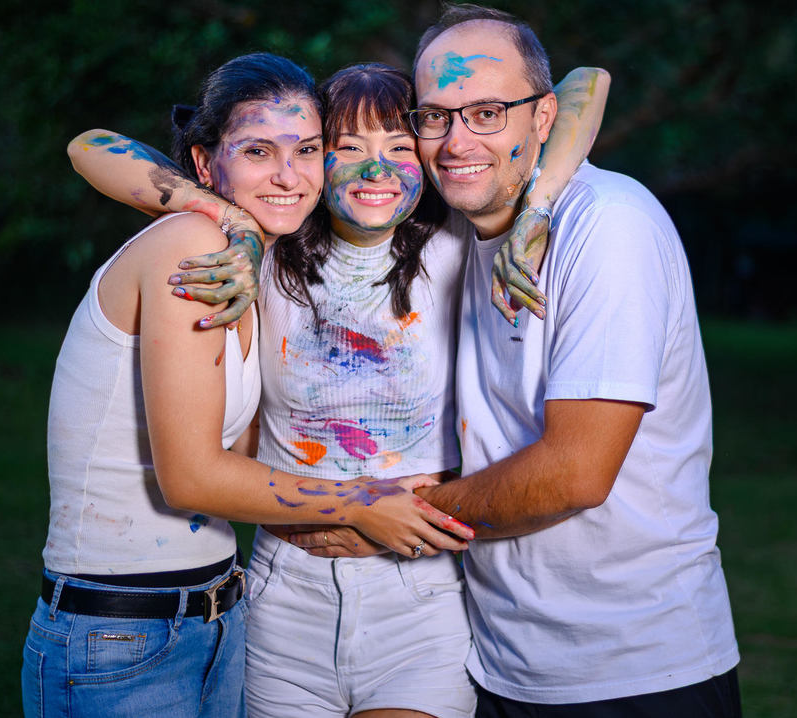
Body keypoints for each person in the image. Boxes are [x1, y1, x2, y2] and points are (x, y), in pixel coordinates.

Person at [68, 59, 608, 718]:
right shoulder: (268, 247)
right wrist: (222, 216)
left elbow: (590, 82)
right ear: (320, 160)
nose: (376, 170)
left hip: (417, 593)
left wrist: (538, 207)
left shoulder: (459, 242)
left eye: (400, 148)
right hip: (281, 596)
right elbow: (89, 147)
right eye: (348, 148)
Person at [297, 4, 743, 716]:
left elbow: (575, 474)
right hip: (503, 662)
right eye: (436, 116)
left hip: (634, 670)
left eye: (485, 113)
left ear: (540, 120)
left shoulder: (607, 224)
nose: (454, 140)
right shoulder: (456, 228)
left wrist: (382, 517)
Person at [23, 53, 472, 718]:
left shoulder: (257, 256)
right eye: (260, 150)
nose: (288, 174)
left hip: (212, 618)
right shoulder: (195, 248)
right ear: (207, 164)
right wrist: (360, 503)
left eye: (307, 150)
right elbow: (89, 145)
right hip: (126, 629)